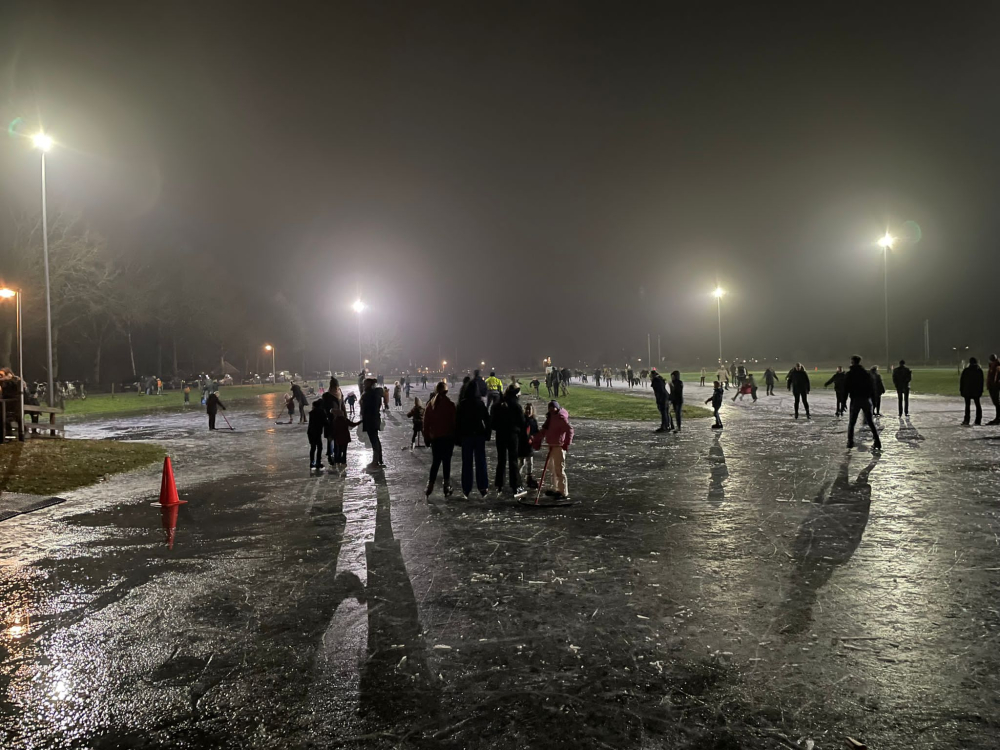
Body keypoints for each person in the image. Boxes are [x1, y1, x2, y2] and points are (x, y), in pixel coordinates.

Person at [490, 386, 526, 497]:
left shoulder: (497, 405)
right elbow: (522, 422)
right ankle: (515, 485)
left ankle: (499, 484)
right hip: (512, 435)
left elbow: (492, 422)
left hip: (501, 434)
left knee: (501, 460)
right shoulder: (516, 406)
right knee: (513, 460)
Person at [534, 400, 574, 501]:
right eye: (550, 408)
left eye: (553, 408)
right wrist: (536, 439)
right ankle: (555, 488)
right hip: (551, 445)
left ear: (557, 408)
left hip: (558, 446)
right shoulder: (550, 417)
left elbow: (569, 430)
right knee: (552, 469)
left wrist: (566, 443)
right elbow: (544, 430)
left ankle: (563, 492)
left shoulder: (560, 417)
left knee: (559, 469)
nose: (551, 410)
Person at [456, 383, 491, 498]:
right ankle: (483, 486)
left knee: (467, 462)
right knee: (481, 461)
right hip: (479, 434)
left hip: (467, 435)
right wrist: (487, 434)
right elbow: (487, 420)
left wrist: (458, 437)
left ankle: (466, 488)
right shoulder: (480, 403)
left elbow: (457, 422)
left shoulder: (462, 404)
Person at [845, 355, 882, 451]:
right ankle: (877, 441)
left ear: (852, 362)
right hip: (866, 399)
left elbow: (846, 388)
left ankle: (850, 441)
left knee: (852, 422)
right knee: (870, 422)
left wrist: (843, 401)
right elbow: (872, 387)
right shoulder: (866, 374)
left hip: (855, 399)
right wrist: (873, 400)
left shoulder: (850, 374)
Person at [360, 378, 385, 467]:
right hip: (374, 419)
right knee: (375, 439)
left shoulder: (369, 394)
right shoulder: (374, 394)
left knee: (374, 440)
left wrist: (364, 414)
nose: (363, 385)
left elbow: (368, 408)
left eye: (364, 384)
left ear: (368, 384)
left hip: (371, 419)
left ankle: (376, 460)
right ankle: (378, 459)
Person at [519, 403, 540, 489]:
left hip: (529, 445)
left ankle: (529, 477)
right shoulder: (522, 420)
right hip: (522, 444)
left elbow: (536, 431)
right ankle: (517, 477)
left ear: (532, 411)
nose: (528, 411)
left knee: (530, 462)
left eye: (529, 409)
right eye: (526, 409)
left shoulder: (533, 421)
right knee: (521, 462)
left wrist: (534, 437)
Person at [960, 356, 984, 426]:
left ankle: (966, 420)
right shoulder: (979, 370)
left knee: (967, 406)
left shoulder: (966, 370)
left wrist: (961, 390)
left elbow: (962, 381)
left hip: (967, 390)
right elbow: (981, 382)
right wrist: (981, 390)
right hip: (976, 391)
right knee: (978, 405)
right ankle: (978, 420)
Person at [307, 398, 329, 472]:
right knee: (319, 447)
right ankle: (318, 462)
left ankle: (312, 462)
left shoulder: (312, 412)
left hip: (310, 431)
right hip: (317, 432)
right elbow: (325, 423)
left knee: (313, 447)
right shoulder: (321, 412)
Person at [650, 368, 673, 433]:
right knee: (666, 412)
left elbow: (659, 391)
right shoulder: (659, 380)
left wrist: (659, 399)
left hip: (662, 398)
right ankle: (668, 425)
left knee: (664, 412)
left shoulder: (656, 381)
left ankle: (664, 426)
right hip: (665, 397)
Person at [989, 354, 1000, 425]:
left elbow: (995, 376)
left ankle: (998, 417)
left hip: (994, 386)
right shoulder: (993, 365)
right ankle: (997, 417)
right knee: (996, 402)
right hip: (993, 386)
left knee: (997, 402)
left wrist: (994, 384)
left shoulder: (996, 366)